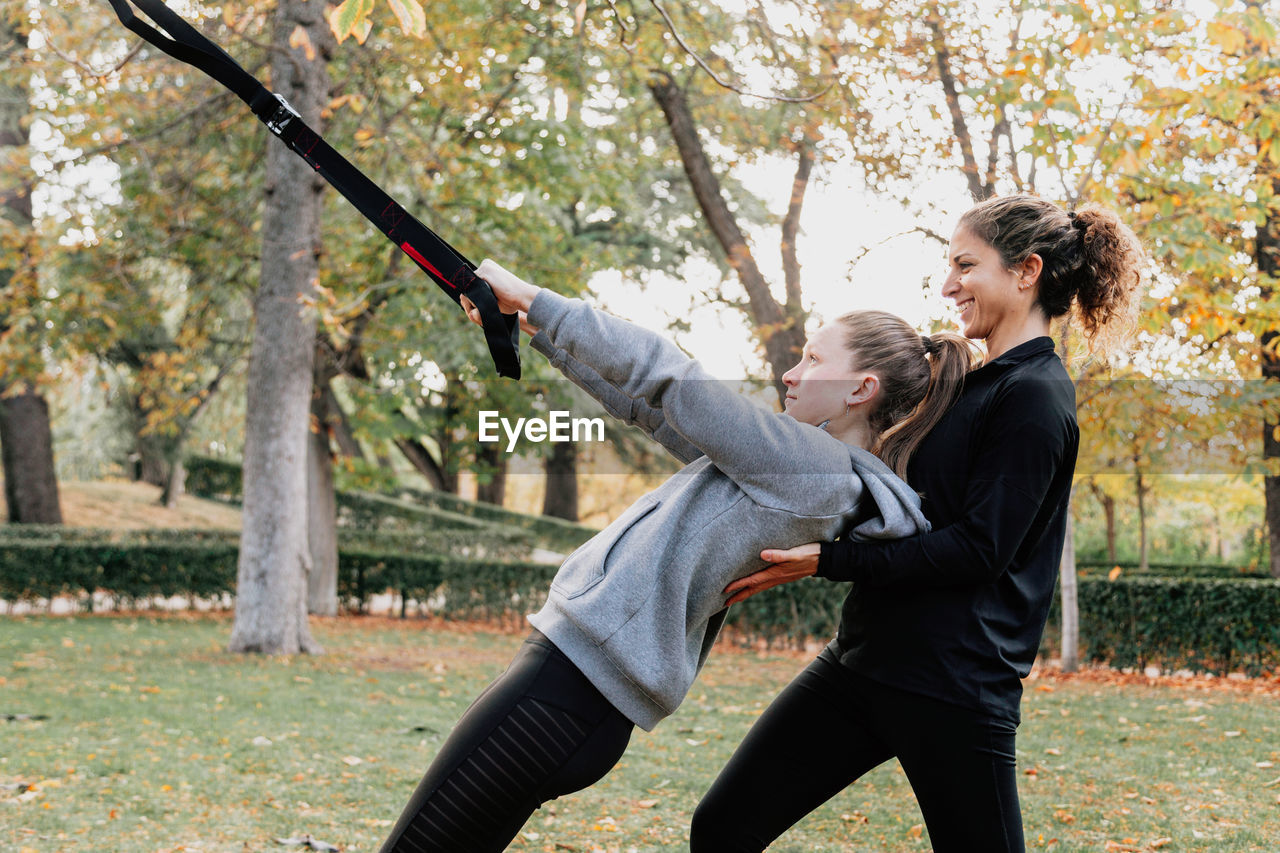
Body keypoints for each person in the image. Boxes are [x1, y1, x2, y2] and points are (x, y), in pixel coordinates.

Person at [377, 259, 975, 852]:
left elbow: (667, 376)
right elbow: (652, 406)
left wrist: (535, 298)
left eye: (814, 360)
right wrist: (534, 331)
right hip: (574, 687)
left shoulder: (815, 472)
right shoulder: (799, 468)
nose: (791, 375)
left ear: (861, 389)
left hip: (568, 692)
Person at [690, 194, 1147, 852]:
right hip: (863, 664)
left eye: (966, 264)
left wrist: (828, 559)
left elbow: (978, 549)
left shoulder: (1036, 398)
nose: (947, 284)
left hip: (954, 690)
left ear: (1027, 271)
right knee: (723, 825)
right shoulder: (971, 382)